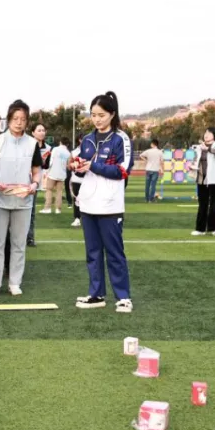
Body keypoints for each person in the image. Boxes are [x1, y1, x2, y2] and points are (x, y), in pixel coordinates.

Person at [73, 91, 132, 312]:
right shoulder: (87, 140)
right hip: (88, 204)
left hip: (110, 205)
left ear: (112, 114)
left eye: (101, 115)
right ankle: (96, 294)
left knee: (115, 253)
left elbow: (123, 170)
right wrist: (76, 166)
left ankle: (123, 297)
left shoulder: (121, 139)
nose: (97, 119)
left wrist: (92, 166)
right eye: (93, 115)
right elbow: (80, 169)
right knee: (93, 252)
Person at [0, 99, 41, 296]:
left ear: (27, 122)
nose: (19, 122)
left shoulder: (33, 144)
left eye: (23, 119)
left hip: (23, 202)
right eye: (15, 118)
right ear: (8, 120)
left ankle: (15, 282)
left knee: (19, 244)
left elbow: (37, 171)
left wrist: (34, 185)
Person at [192, 127, 215, 236]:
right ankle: (200, 229)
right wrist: (192, 165)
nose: (206, 134)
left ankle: (214, 228)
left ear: (214, 135)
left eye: (209, 133)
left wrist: (208, 149)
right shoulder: (199, 147)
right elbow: (196, 160)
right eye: (205, 132)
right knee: (202, 204)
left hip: (214, 179)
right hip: (202, 179)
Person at [42, 136, 71, 214]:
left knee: (49, 190)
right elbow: (68, 166)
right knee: (59, 192)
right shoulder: (68, 153)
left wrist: (47, 170)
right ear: (67, 144)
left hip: (53, 173)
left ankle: (47, 208)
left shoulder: (55, 149)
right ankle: (58, 209)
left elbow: (51, 160)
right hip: (62, 174)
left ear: (60, 142)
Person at [69, 138, 85, 227]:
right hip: (76, 179)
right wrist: (73, 165)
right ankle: (77, 218)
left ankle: (89, 219)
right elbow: (69, 165)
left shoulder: (93, 150)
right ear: (80, 140)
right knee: (76, 200)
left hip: (89, 179)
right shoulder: (75, 152)